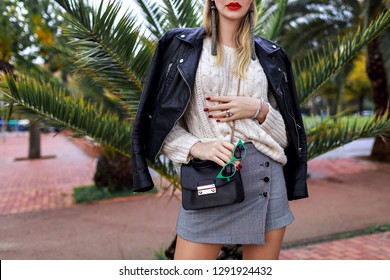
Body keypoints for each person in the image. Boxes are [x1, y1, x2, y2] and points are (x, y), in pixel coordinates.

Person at [131, 0, 308, 260]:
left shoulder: (270, 56)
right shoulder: (180, 47)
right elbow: (158, 124)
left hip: (266, 182)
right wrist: (196, 146)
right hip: (209, 181)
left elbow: (286, 137)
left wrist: (259, 109)